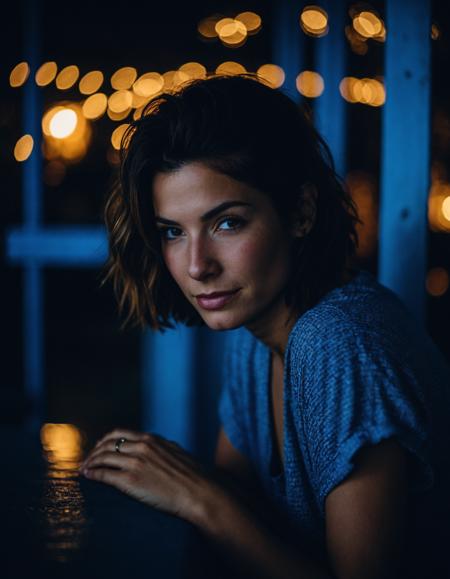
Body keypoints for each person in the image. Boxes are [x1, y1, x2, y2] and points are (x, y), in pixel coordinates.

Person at [79, 74, 450, 579]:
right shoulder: (257, 333)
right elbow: (242, 496)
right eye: (172, 232)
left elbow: (224, 503)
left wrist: (202, 500)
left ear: (300, 212)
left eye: (226, 222)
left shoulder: (339, 342)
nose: (196, 266)